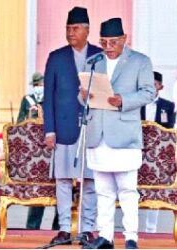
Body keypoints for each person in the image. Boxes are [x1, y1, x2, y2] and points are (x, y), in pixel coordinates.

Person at [80, 18, 155, 249]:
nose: (108, 47)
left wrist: (124, 100)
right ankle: (106, 237)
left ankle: (131, 237)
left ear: (124, 39)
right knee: (103, 192)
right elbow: (82, 93)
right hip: (98, 134)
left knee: (127, 191)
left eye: (113, 42)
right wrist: (83, 97)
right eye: (104, 42)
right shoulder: (93, 61)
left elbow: (148, 93)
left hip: (124, 136)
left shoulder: (140, 61)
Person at [43, 6, 102, 245]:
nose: (71, 33)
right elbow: (49, 96)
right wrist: (49, 130)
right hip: (64, 129)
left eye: (75, 28)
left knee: (90, 181)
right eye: (68, 28)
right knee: (64, 180)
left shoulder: (100, 56)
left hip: (93, 130)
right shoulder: (56, 57)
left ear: (87, 30)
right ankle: (65, 228)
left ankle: (87, 228)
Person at [17, 72, 59, 230]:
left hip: (53, 150)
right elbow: (20, 123)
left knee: (58, 190)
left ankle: (59, 227)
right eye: (36, 85)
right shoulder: (27, 100)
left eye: (42, 85)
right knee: (38, 190)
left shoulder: (54, 100)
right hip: (34, 153)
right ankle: (32, 227)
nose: (39, 87)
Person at [140, 71, 175, 233]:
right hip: (137, 150)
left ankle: (150, 231)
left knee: (154, 190)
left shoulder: (168, 106)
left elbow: (168, 130)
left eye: (154, 85)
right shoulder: (136, 104)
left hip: (157, 157)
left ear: (160, 87)